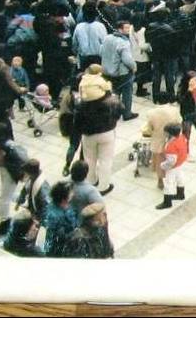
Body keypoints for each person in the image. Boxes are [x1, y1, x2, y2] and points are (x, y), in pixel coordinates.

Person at [76, 68, 122, 196]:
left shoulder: (82, 104)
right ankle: (104, 186)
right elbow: (119, 111)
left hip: (88, 135)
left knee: (89, 159)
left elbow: (77, 122)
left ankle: (91, 182)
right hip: (107, 133)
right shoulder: (109, 101)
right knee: (106, 160)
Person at [0, 122, 29, 237]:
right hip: (6, 172)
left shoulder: (4, 147)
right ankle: (22, 201)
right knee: (7, 196)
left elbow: (17, 162)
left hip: (10, 174)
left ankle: (4, 224)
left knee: (3, 199)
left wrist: (20, 175)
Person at [100, 20, 138, 121]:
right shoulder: (123, 42)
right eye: (126, 28)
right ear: (119, 29)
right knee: (127, 93)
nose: (128, 30)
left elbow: (101, 51)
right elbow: (127, 59)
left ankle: (112, 113)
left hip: (107, 71)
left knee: (113, 93)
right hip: (122, 73)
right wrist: (134, 67)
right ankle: (127, 113)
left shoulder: (107, 38)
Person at [156, 123, 189, 209]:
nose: (164, 133)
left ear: (170, 133)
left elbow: (171, 161)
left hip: (173, 167)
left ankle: (167, 202)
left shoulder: (171, 146)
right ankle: (180, 194)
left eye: (166, 132)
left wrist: (162, 165)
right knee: (180, 178)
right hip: (181, 162)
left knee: (168, 183)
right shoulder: (182, 138)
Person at [42, 181, 78, 258]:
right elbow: (60, 237)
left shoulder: (58, 205)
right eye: (71, 193)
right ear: (63, 199)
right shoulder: (55, 216)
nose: (73, 194)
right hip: (59, 250)